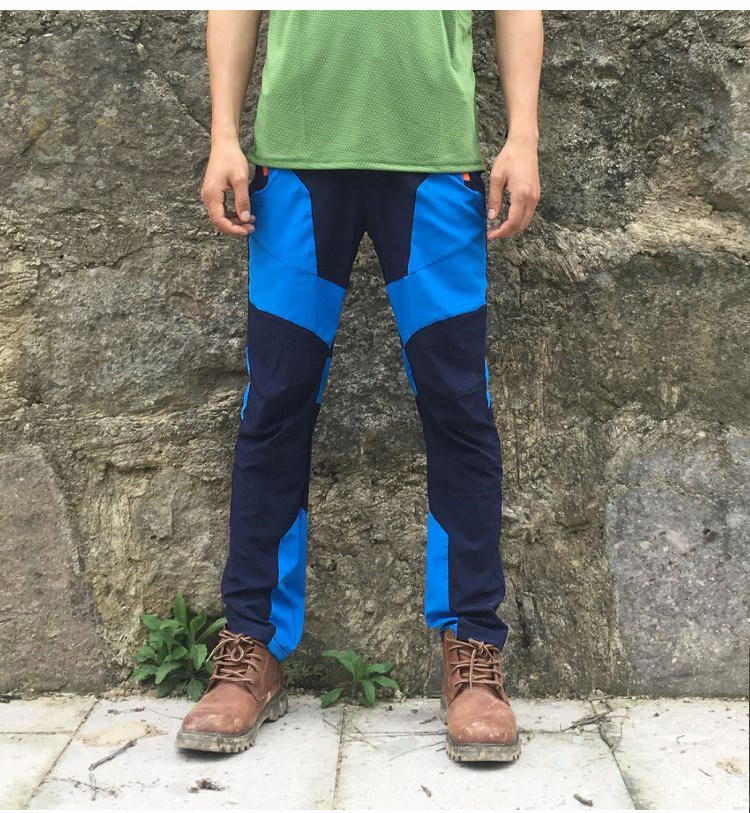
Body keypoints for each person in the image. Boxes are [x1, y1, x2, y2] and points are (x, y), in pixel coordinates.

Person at [177, 9, 542, 763]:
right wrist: (223, 136)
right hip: (295, 166)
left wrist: (524, 136)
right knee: (275, 404)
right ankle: (251, 643)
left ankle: (473, 645)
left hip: (434, 163)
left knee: (458, 406)